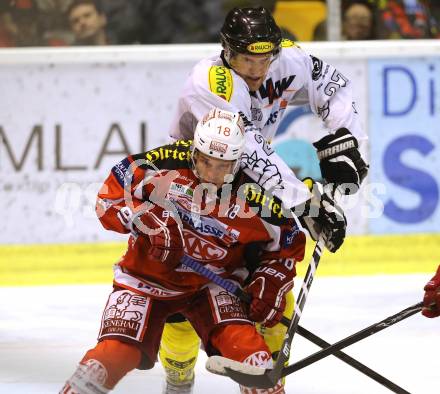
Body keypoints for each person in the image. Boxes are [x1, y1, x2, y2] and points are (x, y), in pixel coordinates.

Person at [162, 6, 368, 393]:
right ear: (226, 51)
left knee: (270, 292)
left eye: (263, 59)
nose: (256, 70)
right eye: (245, 59)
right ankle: (178, 374)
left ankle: (267, 381)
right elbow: (248, 149)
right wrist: (304, 202)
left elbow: (336, 89)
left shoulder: (288, 57)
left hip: (253, 193)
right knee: (183, 303)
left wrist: (348, 145)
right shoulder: (210, 81)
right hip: (195, 189)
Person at [60, 108, 318, 394]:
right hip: (146, 279)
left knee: (253, 360)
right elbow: (108, 200)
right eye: (206, 163)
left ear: (238, 163)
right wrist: (148, 221)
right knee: (110, 358)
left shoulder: (256, 194)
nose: (212, 174)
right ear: (193, 151)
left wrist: (268, 282)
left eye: (224, 166)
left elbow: (287, 245)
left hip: (215, 284)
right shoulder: (161, 165)